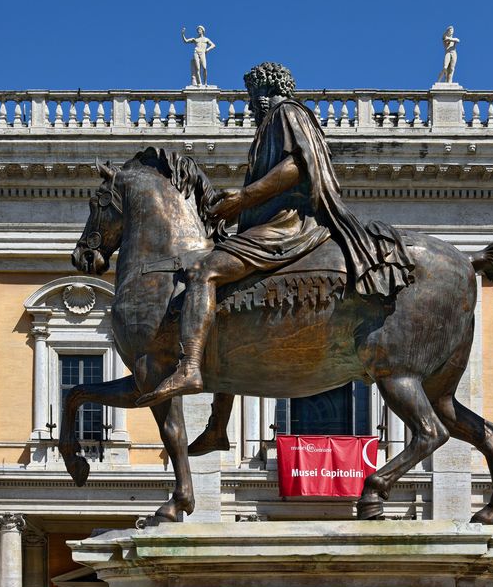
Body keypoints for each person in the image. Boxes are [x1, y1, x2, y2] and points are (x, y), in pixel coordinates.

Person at [136, 62, 414, 407]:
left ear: (267, 91)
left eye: (253, 96)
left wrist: (243, 198)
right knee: (229, 302)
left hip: (288, 225)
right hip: (275, 223)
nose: (250, 105)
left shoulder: (285, 113)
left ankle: (191, 366)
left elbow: (296, 166)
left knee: (203, 273)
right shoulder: (277, 121)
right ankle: (219, 421)